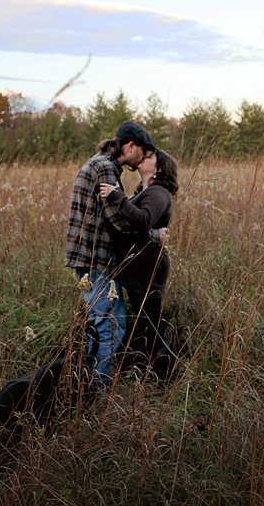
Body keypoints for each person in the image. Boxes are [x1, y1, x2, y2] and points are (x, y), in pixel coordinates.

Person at [65, 121, 163, 386]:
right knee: (110, 327)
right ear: (130, 146)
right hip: (95, 260)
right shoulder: (106, 168)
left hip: (89, 260)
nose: (144, 158)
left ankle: (85, 385)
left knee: (103, 325)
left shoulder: (99, 163)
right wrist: (155, 236)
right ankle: (96, 392)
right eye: (144, 152)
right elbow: (117, 220)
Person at [99, 149, 178, 379]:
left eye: (150, 157)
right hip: (138, 271)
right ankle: (149, 375)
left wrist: (116, 196)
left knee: (153, 330)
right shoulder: (146, 191)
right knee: (146, 327)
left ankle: (168, 381)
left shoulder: (159, 193)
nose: (144, 157)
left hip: (149, 271)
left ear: (159, 168)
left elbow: (143, 220)